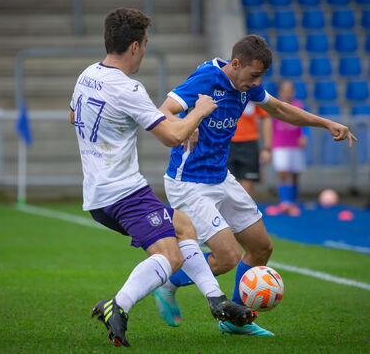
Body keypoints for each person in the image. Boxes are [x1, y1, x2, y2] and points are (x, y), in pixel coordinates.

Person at [69, 8, 255, 348]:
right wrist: (198, 111)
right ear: (136, 46)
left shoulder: (87, 76)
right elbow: (172, 136)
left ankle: (216, 301)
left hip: (99, 192)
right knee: (171, 257)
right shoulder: (129, 89)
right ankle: (118, 306)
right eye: (146, 43)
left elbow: (72, 116)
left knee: (184, 226)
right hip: (124, 193)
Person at [152, 35, 357, 336]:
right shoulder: (207, 78)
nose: (257, 82)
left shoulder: (247, 86)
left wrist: (326, 123)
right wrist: (183, 127)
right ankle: (170, 282)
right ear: (235, 64)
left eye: (261, 77)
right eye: (254, 75)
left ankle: (234, 320)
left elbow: (281, 109)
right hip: (189, 183)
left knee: (261, 247)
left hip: (221, 178)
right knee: (227, 257)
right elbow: (163, 110)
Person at [272, 80, 309, 216]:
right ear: (280, 91)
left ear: (293, 91)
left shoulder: (299, 105)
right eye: (284, 90)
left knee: (294, 174)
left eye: (289, 90)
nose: (287, 93)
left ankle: (292, 202)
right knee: (282, 173)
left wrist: (305, 135)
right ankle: (284, 202)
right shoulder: (275, 106)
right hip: (280, 144)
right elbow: (270, 125)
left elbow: (305, 121)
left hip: (295, 145)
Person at [227, 101, 272, 199]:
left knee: (246, 190)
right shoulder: (222, 89)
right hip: (226, 143)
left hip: (249, 144)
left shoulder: (253, 90)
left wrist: (267, 148)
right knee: (228, 187)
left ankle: (246, 214)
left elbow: (265, 117)